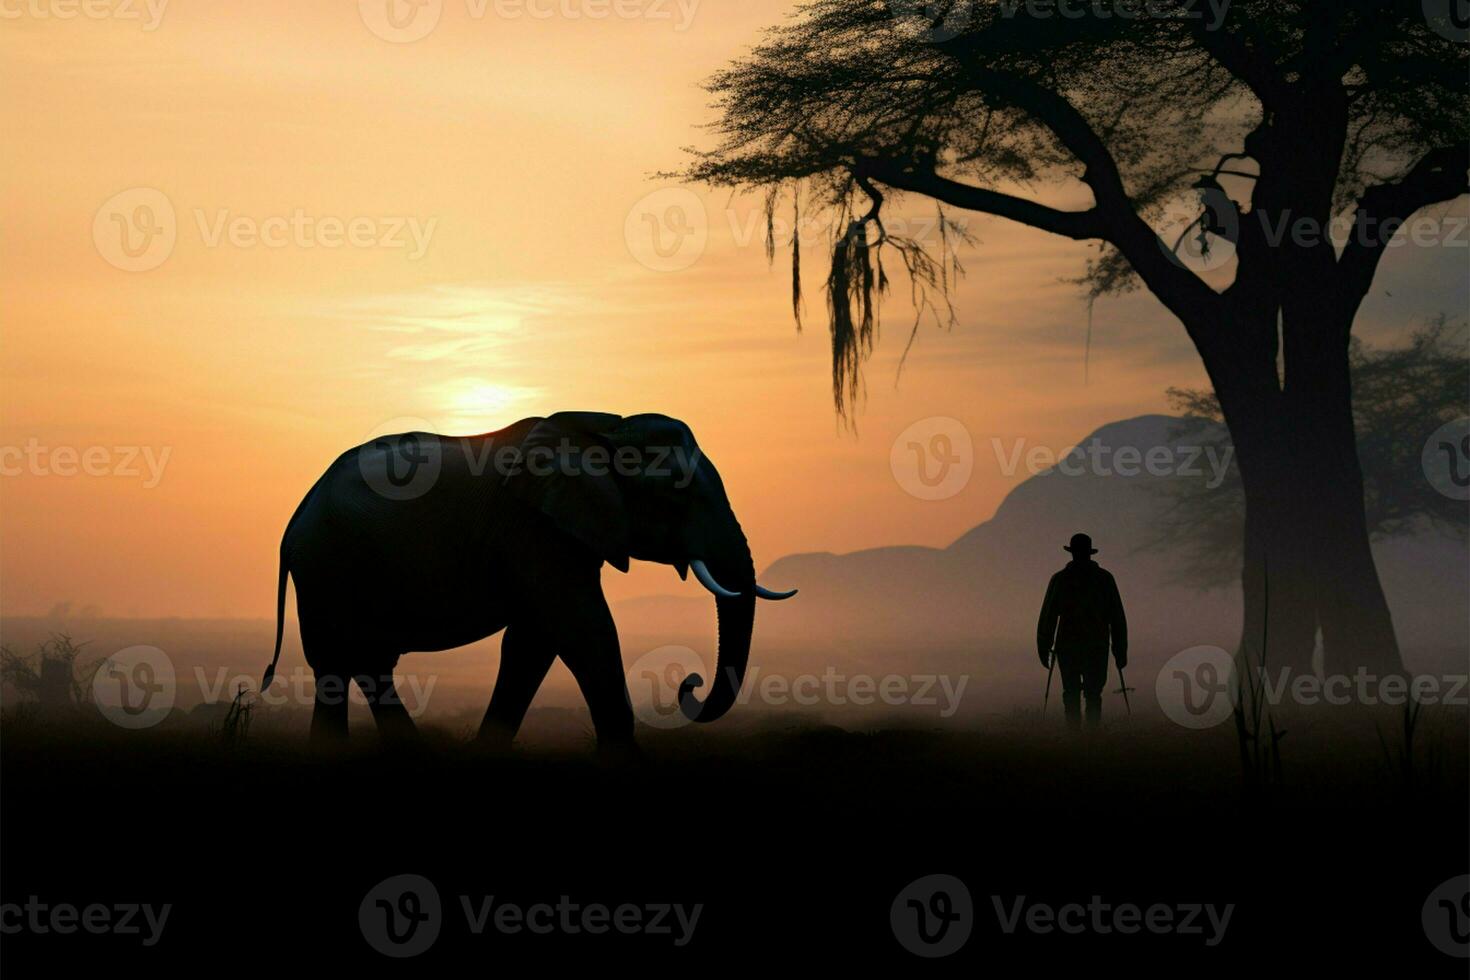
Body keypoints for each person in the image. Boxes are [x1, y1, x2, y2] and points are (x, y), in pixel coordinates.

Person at [1036, 533, 1128, 729]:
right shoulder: (1104, 579)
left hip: (1068, 644)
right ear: (1090, 553)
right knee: (1093, 692)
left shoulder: (1061, 579)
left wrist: (1044, 645)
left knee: (1071, 691)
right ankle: (1092, 736)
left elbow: (1049, 615)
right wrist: (1120, 649)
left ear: (1072, 553)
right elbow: (1117, 617)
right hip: (1097, 643)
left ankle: (1074, 735)